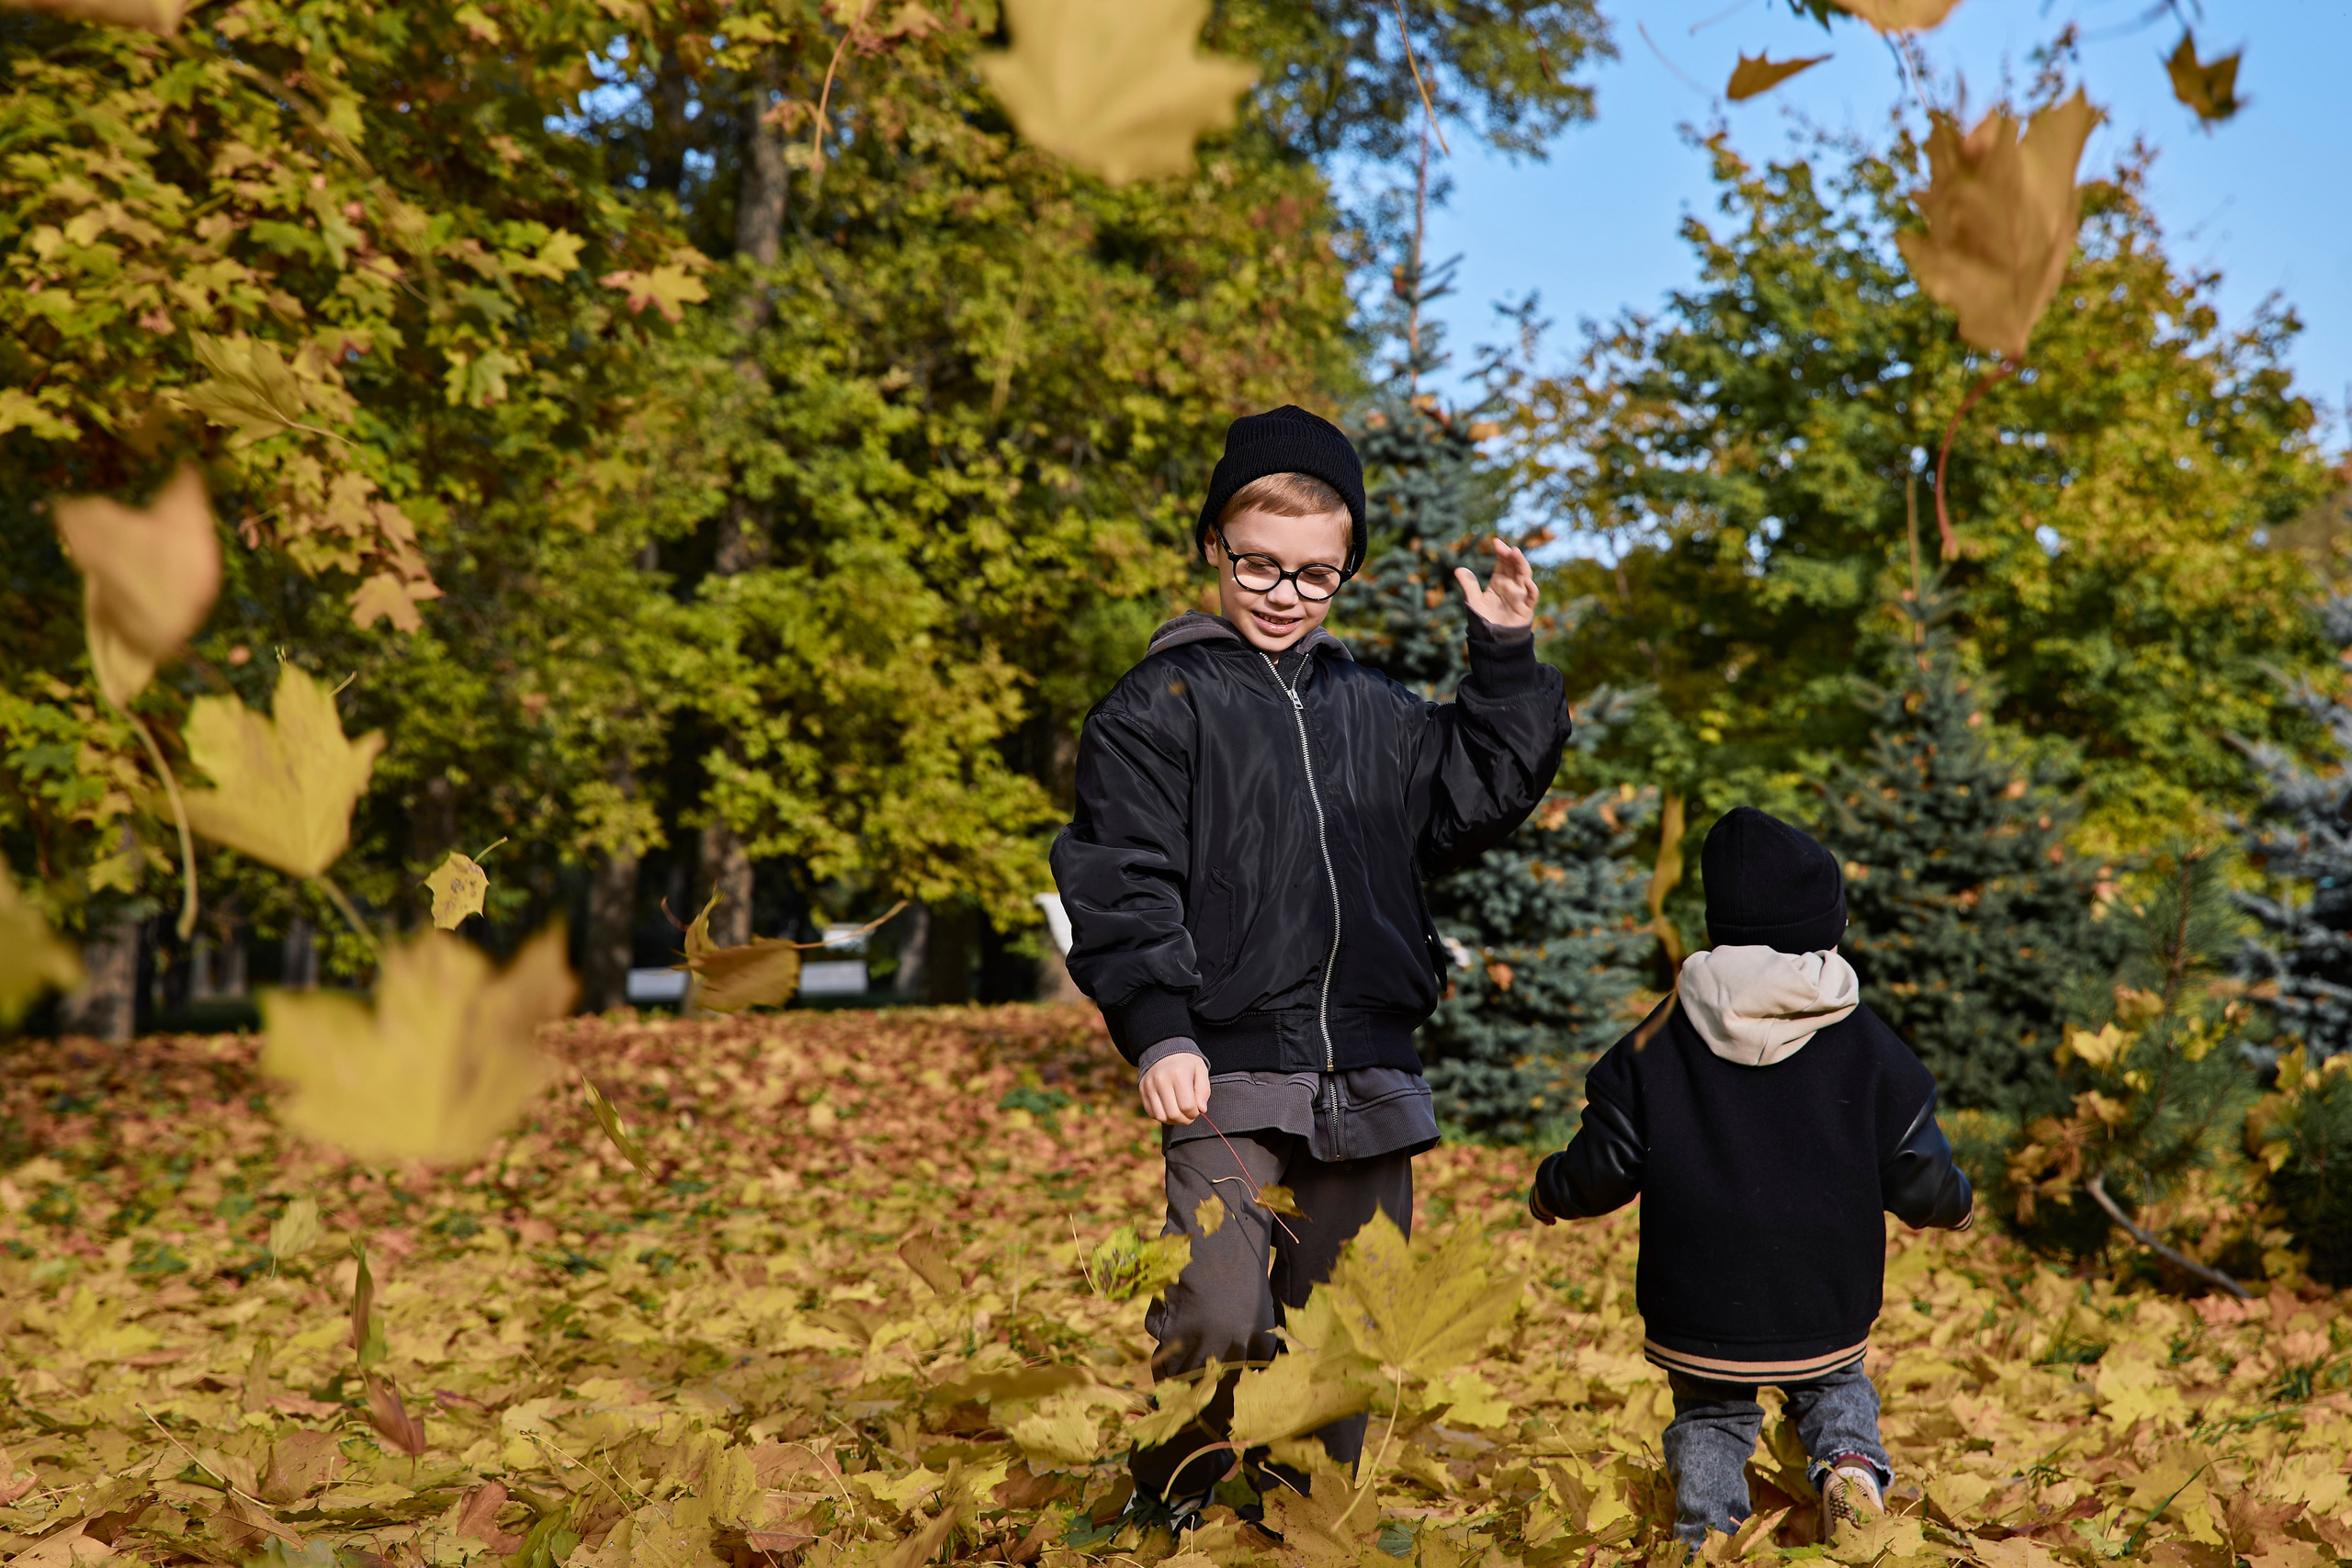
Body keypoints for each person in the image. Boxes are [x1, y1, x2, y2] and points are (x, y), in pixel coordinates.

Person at [1050, 404, 1572, 1521]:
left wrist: (1508, 656)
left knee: (1344, 1324)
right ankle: (1173, 1493)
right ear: (1213, 551)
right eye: (1259, 566)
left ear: (1346, 574)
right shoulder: (1159, 708)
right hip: (1226, 1066)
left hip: (1368, 1070)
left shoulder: (1376, 712)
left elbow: (1479, 791)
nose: (1283, 595)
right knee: (1218, 1306)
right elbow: (1119, 875)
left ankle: (1301, 1513)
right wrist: (1158, 1026)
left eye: (1314, 576)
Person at [1528, 807, 1975, 1547]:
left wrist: (1552, 1187)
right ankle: (1853, 1475)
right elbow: (1913, 1163)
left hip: (1700, 1291)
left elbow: (1605, 1161)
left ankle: (1708, 1537)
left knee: (1710, 1414)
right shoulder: (1862, 1037)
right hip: (1823, 1284)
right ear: (1822, 923)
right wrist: (1953, 1204)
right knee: (1835, 1388)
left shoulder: (1659, 1034)